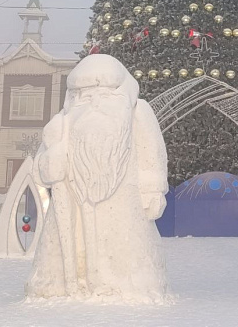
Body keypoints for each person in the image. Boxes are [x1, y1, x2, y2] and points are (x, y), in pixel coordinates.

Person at [25, 54, 169, 303]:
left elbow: (152, 154)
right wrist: (52, 159)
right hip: (71, 207)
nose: (95, 104)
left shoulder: (138, 113)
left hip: (126, 206)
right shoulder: (62, 124)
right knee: (59, 259)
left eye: (104, 95)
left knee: (125, 253)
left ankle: (127, 285)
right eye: (86, 96)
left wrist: (153, 190)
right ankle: (60, 284)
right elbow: (41, 170)